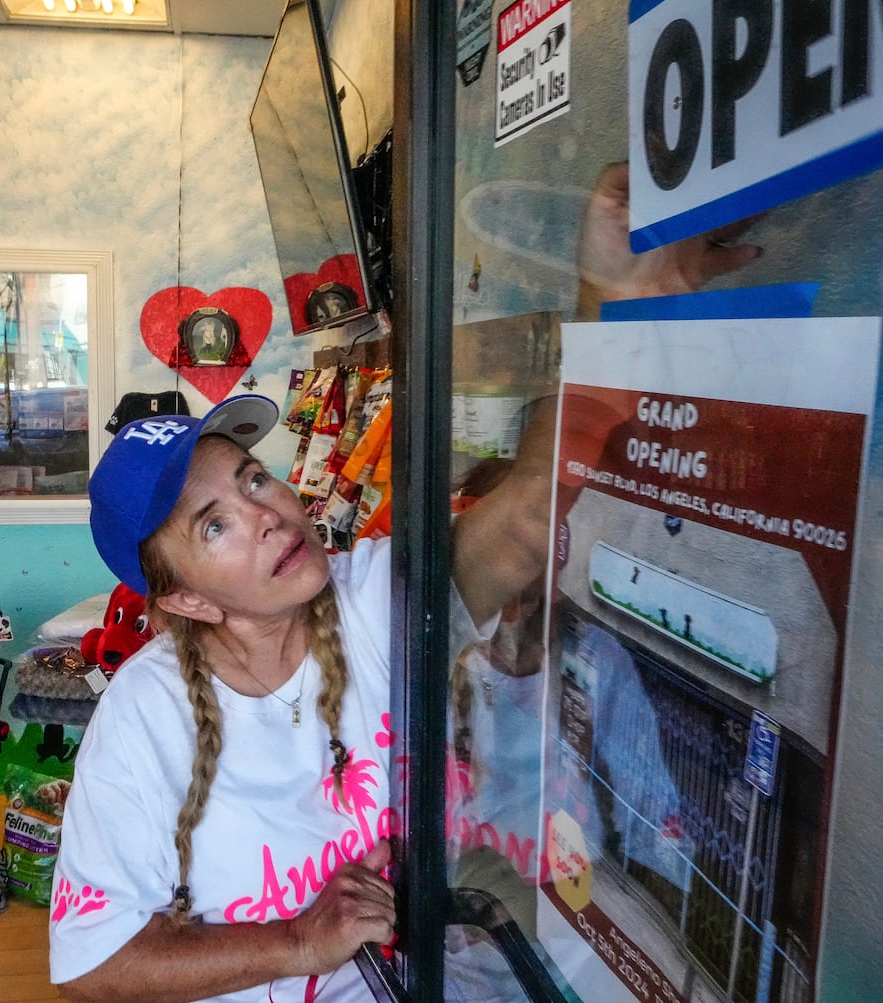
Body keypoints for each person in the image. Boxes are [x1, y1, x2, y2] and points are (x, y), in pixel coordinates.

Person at [50, 394, 548, 1003]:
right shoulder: (143, 718)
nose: (267, 515)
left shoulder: (370, 596)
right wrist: (297, 941)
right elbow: (93, 966)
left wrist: (615, 325)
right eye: (214, 524)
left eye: (254, 479)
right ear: (189, 601)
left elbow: (530, 519)